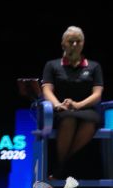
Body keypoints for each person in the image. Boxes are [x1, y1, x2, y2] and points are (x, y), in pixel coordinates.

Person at [42, 26, 104, 177]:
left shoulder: (94, 66)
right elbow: (47, 90)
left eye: (78, 41)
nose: (75, 44)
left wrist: (78, 105)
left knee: (91, 121)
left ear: (83, 43)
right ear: (63, 44)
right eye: (71, 41)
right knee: (68, 118)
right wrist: (57, 105)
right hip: (61, 110)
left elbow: (97, 94)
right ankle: (64, 168)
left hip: (86, 109)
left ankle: (60, 167)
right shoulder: (52, 65)